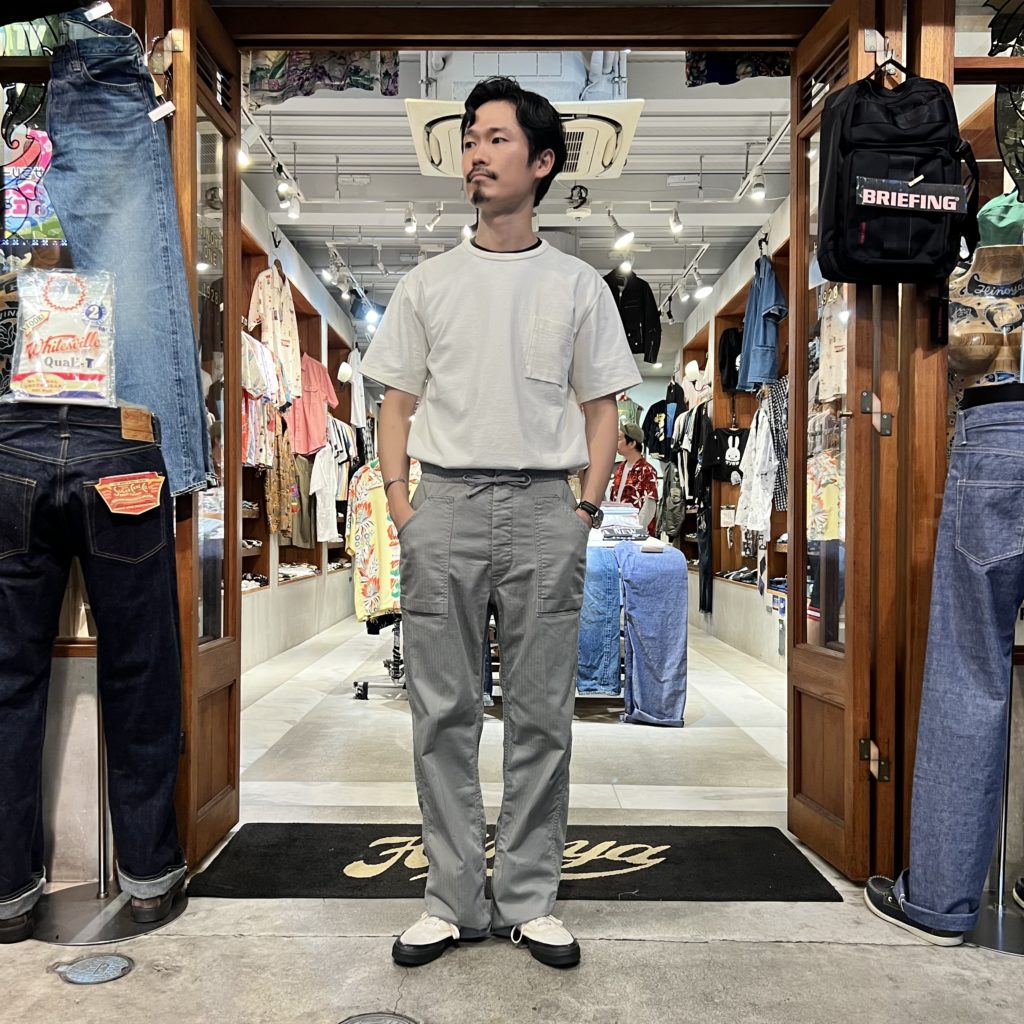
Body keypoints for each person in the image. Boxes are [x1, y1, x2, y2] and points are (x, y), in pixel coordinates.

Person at [360, 75, 641, 969]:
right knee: (441, 711)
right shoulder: (428, 282)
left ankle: (528, 898)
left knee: (542, 713)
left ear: (543, 161)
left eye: (496, 139)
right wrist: (402, 504)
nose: (476, 154)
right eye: (470, 139)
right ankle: (451, 898)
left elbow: (602, 406)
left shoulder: (578, 285)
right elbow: (395, 401)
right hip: (442, 504)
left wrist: (584, 507)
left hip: (544, 507)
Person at [609, 422, 659, 536]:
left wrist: (637, 530)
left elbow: (649, 506)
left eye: (619, 439)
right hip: (617, 530)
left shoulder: (647, 471)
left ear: (632, 444)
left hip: (637, 534)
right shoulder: (620, 468)